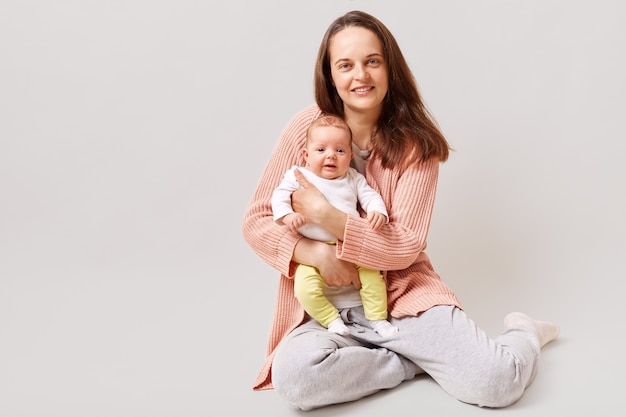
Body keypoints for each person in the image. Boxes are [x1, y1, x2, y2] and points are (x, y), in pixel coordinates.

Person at [242, 10, 560, 411]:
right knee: (296, 380)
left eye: (372, 61)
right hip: (327, 307)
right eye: (346, 65)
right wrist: (318, 254)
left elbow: (405, 244)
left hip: (402, 298)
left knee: (495, 383)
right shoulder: (306, 128)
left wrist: (328, 217)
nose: (361, 76)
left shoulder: (416, 144)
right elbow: (257, 219)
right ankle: (411, 363)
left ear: (390, 67)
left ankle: (525, 333)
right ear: (330, 74)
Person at [271, 114, 399, 338]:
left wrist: (378, 211)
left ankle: (378, 319)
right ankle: (331, 319)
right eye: (321, 150)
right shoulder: (298, 175)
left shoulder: (352, 177)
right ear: (306, 155)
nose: (330, 155)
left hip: (350, 245)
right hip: (311, 251)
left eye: (339, 151)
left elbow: (369, 196)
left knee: (373, 279)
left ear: (350, 156)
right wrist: (287, 216)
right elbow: (278, 197)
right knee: (304, 290)